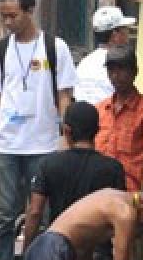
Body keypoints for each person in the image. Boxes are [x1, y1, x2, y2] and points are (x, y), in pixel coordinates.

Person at [0, 0, 77, 260]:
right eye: (3, 17)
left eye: (13, 16)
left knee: (44, 213)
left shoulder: (54, 48)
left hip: (44, 144)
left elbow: (64, 96)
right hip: (6, 144)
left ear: (30, 11)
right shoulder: (0, 50)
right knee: (2, 215)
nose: (8, 22)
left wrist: (65, 137)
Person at [21, 101, 125, 252]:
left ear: (66, 131)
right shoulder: (113, 169)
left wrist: (27, 254)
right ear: (97, 130)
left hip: (60, 251)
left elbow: (35, 212)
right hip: (97, 255)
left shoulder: (48, 164)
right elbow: (119, 218)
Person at [95, 45, 143, 192]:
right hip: (97, 193)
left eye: (121, 69)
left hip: (129, 194)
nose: (115, 75)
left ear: (134, 72)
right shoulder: (99, 109)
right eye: (111, 70)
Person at [74, 6, 136, 105]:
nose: (127, 33)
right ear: (115, 34)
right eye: (124, 29)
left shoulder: (84, 63)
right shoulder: (121, 64)